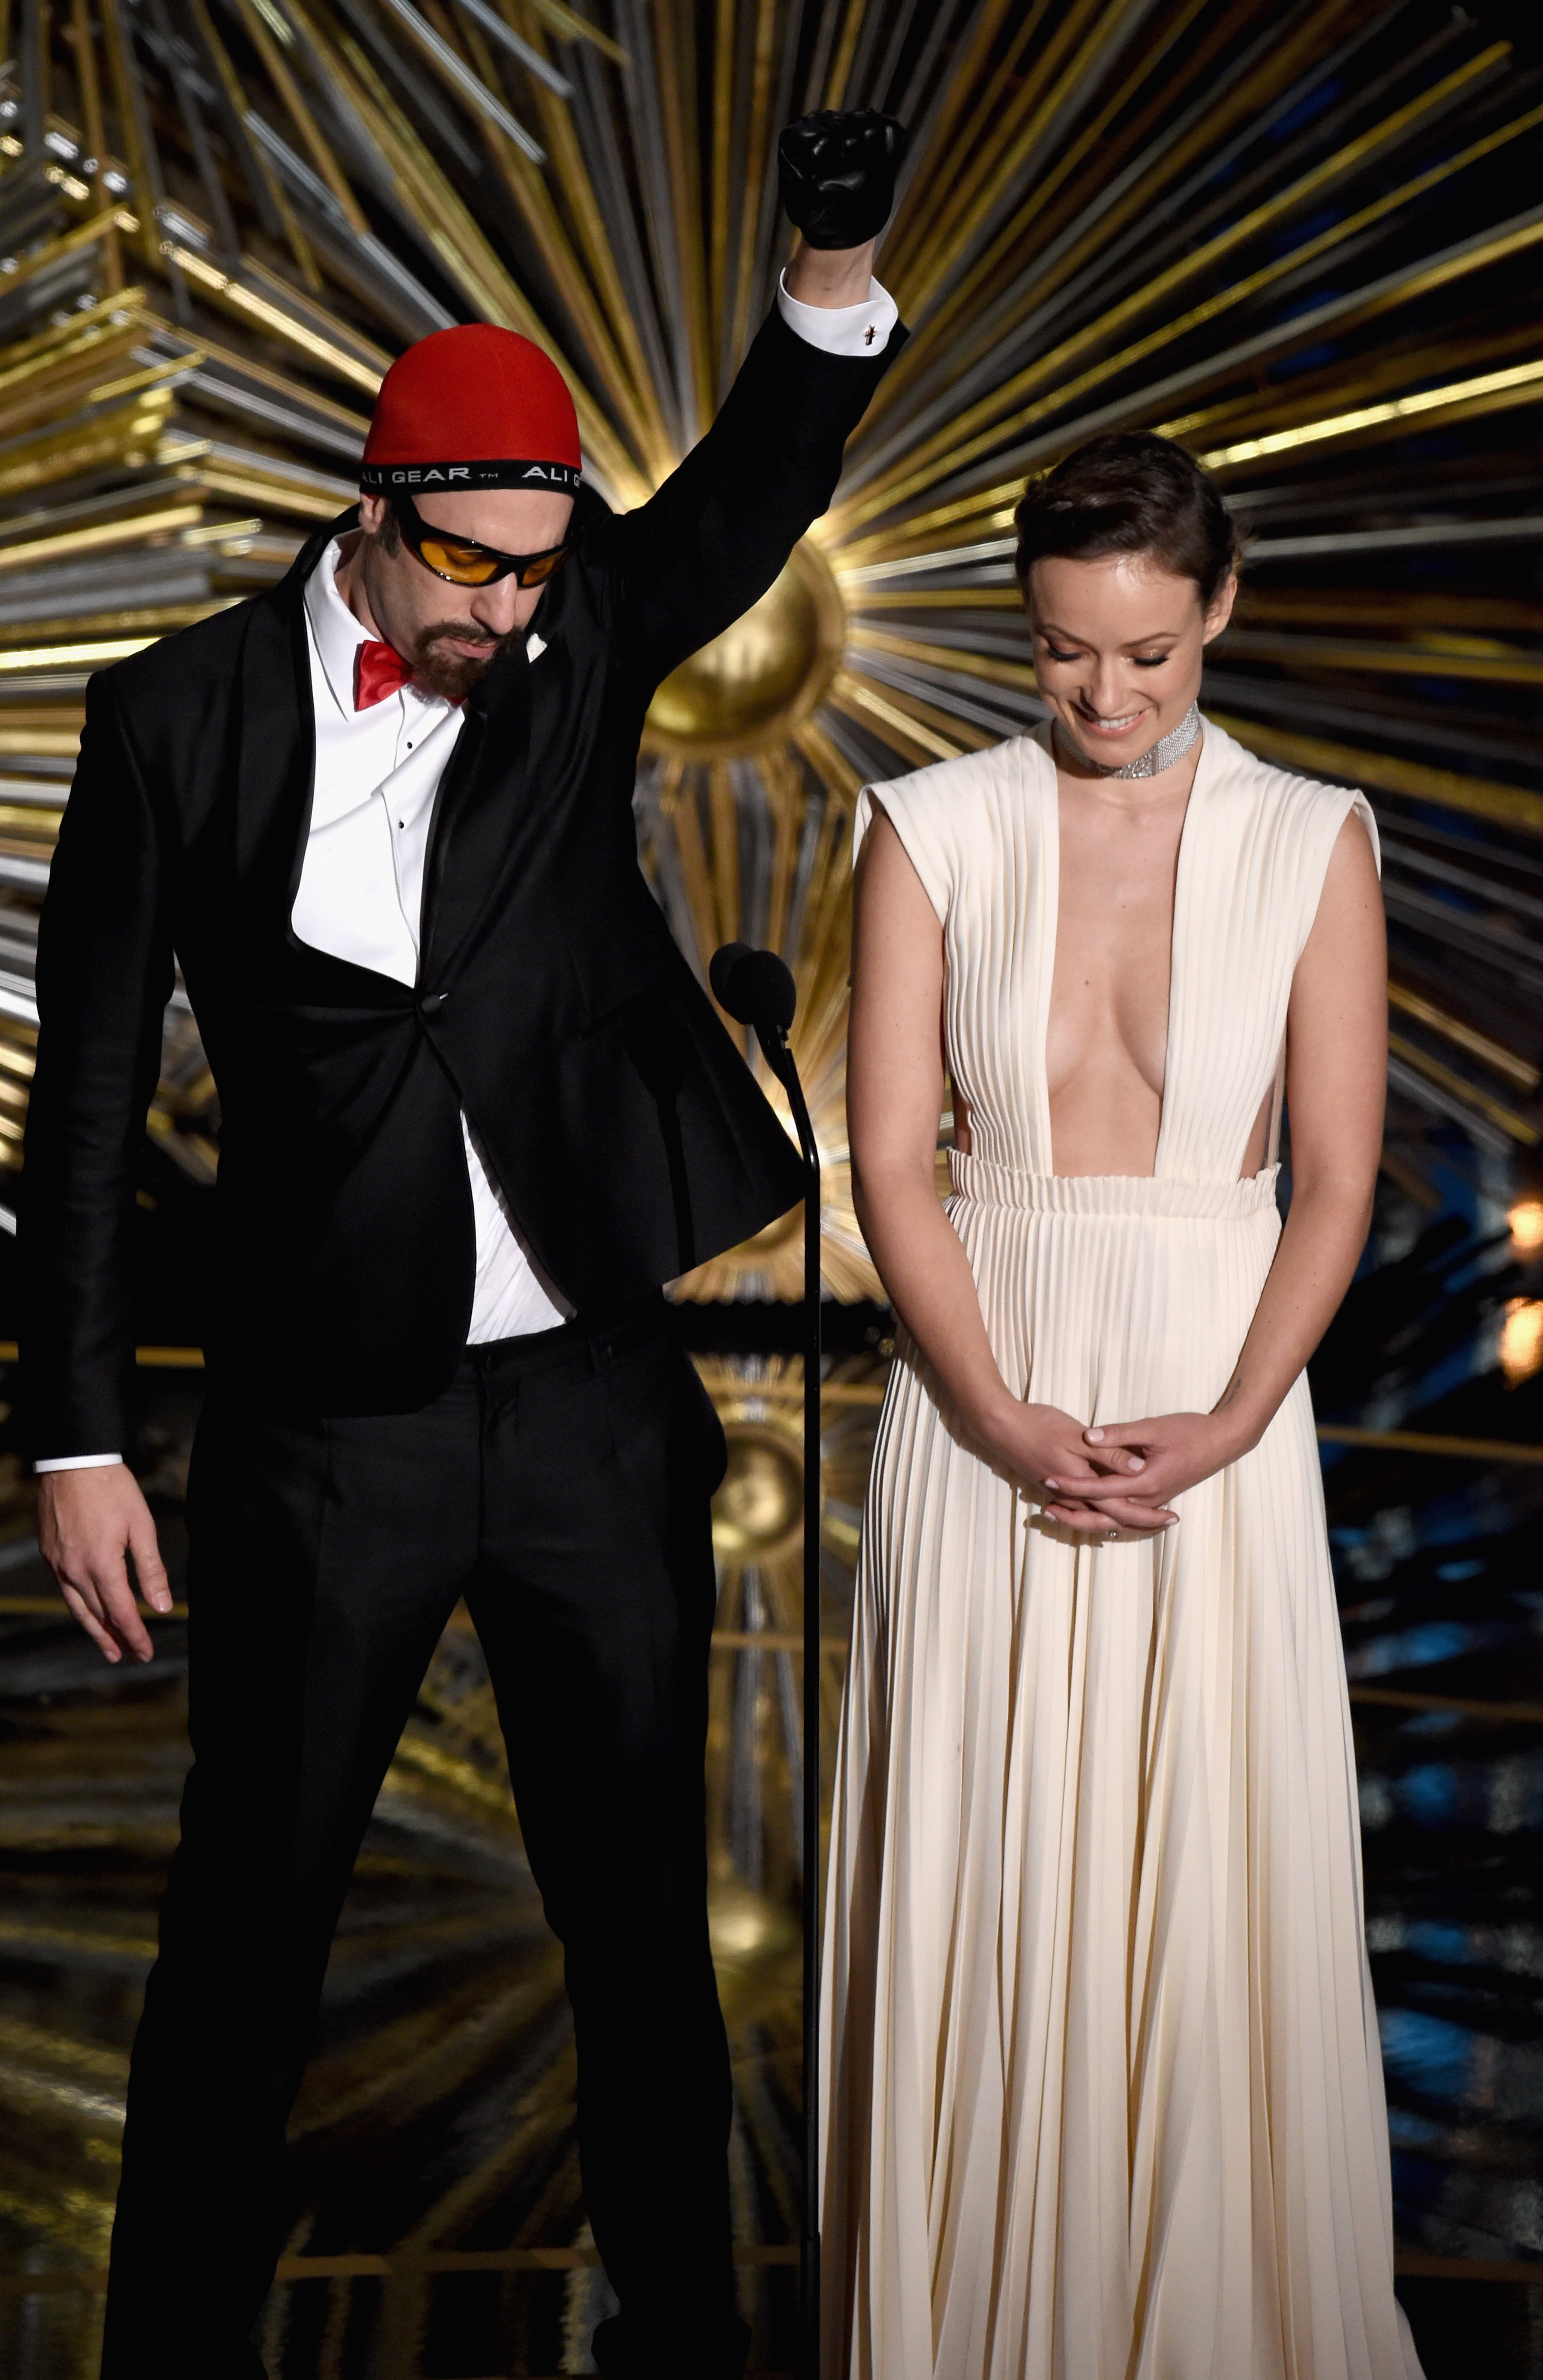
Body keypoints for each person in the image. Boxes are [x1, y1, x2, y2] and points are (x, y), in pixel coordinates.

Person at [23, 110, 906, 2380]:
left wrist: (829, 261)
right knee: (248, 1954)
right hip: (332, 1419)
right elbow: (96, 1091)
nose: (508, 615)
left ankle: (690, 2351)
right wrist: (81, 1440)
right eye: (474, 573)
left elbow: (747, 493)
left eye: (536, 574)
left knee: (641, 1953)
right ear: (377, 507)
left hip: (594, 1410)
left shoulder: (578, 622)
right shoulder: (172, 718)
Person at [825, 431, 1423, 2379]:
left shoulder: (1315, 835)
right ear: (1031, 618)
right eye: (1072, 650)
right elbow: (894, 1164)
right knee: (983, 1890)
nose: (1108, 694)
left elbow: (1333, 1177)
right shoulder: (922, 827)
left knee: (1204, 1898)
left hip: (1215, 1414)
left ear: (1219, 609)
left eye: (1153, 655)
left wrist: (1243, 1413)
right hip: (977, 1402)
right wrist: (994, 1413)